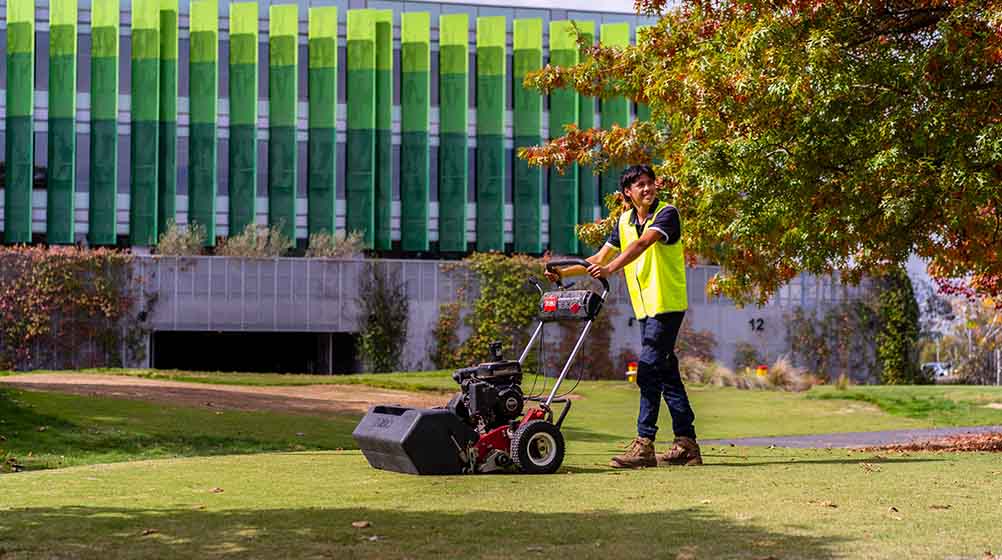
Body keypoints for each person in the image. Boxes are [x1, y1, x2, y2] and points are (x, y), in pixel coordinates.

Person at [545, 164, 702, 468]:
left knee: (647, 370)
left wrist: (611, 269)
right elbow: (597, 260)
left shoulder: (667, 214)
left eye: (650, 183)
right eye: (640, 185)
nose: (647, 188)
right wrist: (563, 271)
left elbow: (642, 245)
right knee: (666, 374)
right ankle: (687, 444)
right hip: (645, 309)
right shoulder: (624, 221)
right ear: (627, 193)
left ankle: (644, 445)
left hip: (667, 305)